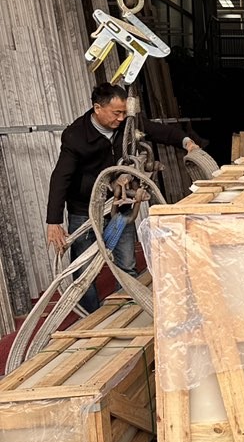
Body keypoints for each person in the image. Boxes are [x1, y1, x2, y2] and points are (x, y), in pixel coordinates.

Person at [46, 82, 198, 312]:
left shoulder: (127, 124)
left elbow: (159, 131)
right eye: (116, 113)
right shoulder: (76, 136)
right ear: (98, 108)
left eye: (124, 113)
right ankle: (91, 318)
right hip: (85, 210)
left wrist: (186, 142)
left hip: (120, 204)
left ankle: (129, 312)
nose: (121, 118)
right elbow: (61, 177)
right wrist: (53, 220)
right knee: (84, 271)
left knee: (126, 263)